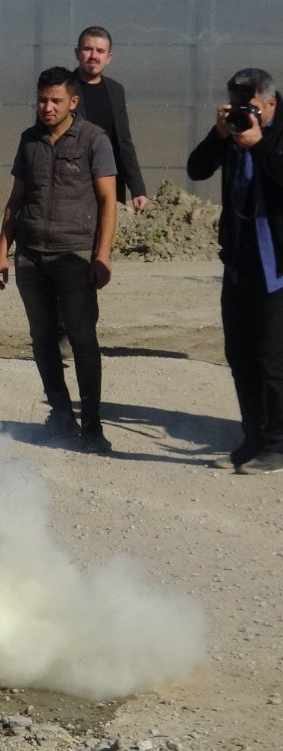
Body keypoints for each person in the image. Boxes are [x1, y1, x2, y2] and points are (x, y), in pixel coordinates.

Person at [0, 67, 118, 454]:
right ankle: (61, 415)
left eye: (55, 101)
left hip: (74, 255)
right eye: (42, 100)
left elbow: (108, 201)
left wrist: (102, 256)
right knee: (42, 338)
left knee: (82, 339)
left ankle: (92, 425)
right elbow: (16, 200)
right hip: (31, 255)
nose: (47, 107)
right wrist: (2, 253)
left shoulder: (95, 140)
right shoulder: (29, 140)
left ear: (73, 103)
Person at [187, 68, 283, 474]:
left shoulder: (272, 136)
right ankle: (252, 439)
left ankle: (277, 445)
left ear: (272, 104)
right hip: (239, 262)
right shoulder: (232, 133)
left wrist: (259, 146)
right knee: (239, 353)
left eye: (254, 109)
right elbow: (196, 170)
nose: (247, 115)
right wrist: (220, 134)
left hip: (276, 265)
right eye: (240, 108)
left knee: (271, 357)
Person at [73, 26, 149, 212]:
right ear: (77, 53)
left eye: (100, 51)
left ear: (109, 57)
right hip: (71, 185)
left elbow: (124, 141)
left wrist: (137, 188)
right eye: (88, 49)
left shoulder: (116, 91)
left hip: (109, 182)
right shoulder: (62, 87)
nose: (94, 55)